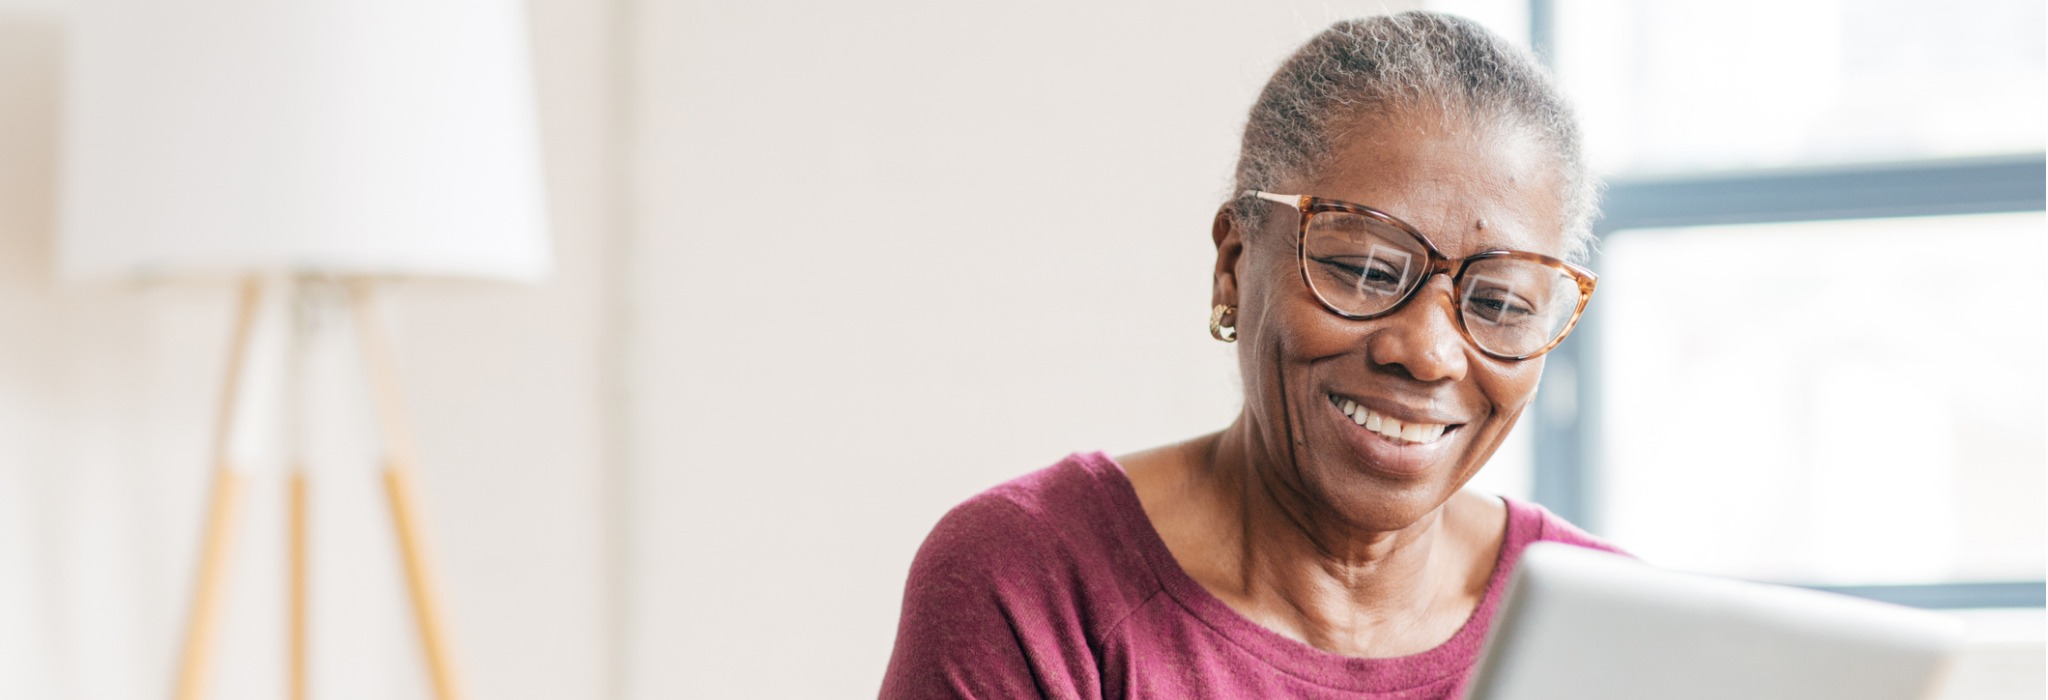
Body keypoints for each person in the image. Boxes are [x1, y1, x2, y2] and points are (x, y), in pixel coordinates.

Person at [881, 12, 1621, 699]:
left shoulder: (1610, 630)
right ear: (1234, 264)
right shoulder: (1031, 585)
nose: (1428, 354)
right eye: (1364, 270)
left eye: (1498, 305)